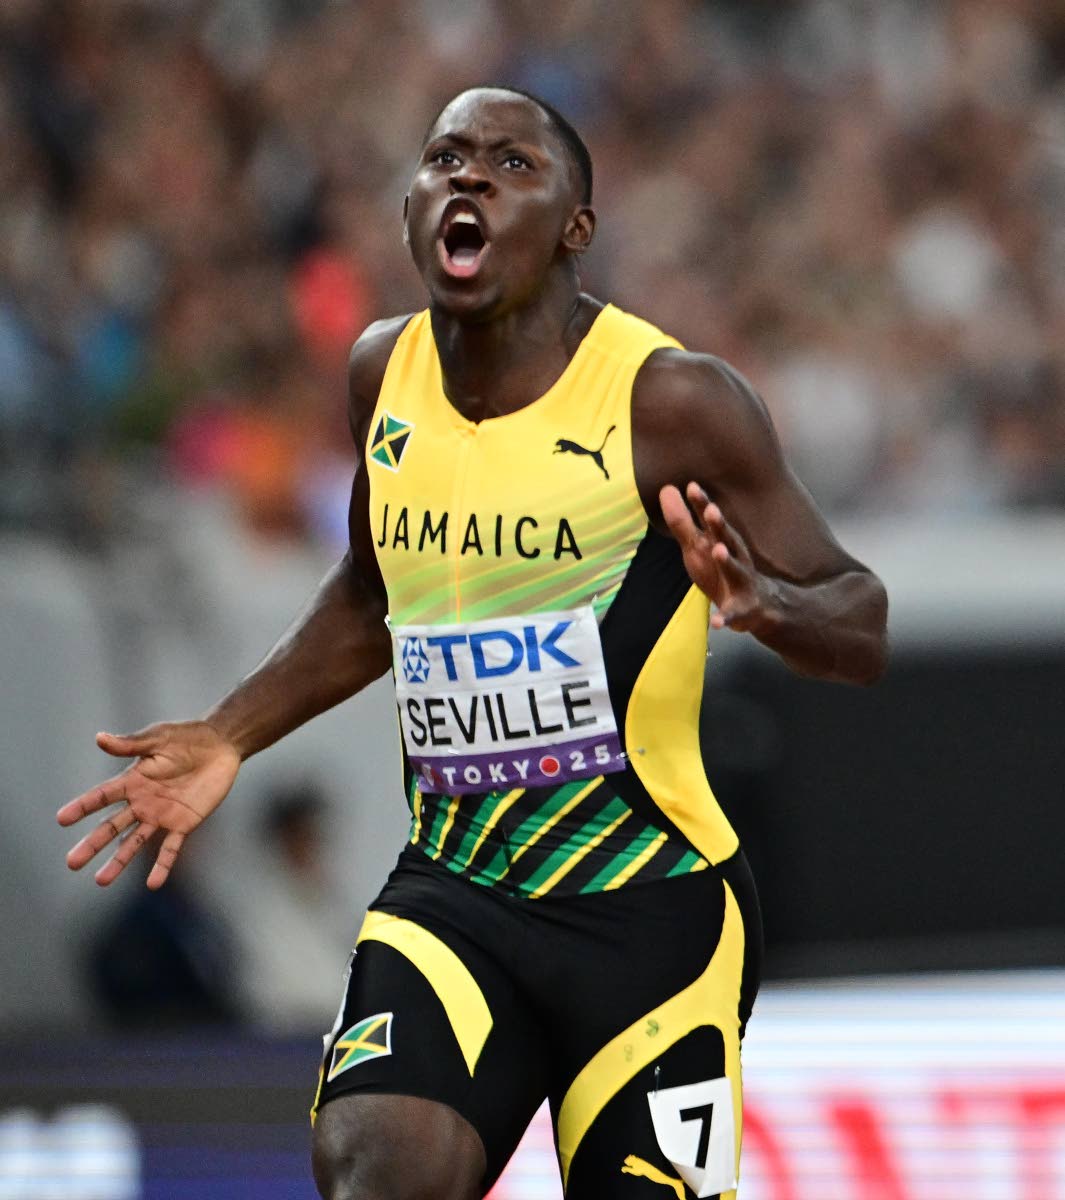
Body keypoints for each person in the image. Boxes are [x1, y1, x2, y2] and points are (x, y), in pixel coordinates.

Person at [58, 86, 888, 1200]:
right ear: (411, 204)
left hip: (651, 914)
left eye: (510, 164)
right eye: (447, 157)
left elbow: (862, 615)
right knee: (374, 1171)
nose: (470, 179)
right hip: (460, 893)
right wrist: (227, 735)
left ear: (574, 227)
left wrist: (767, 609)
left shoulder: (669, 400)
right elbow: (369, 595)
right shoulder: (381, 375)